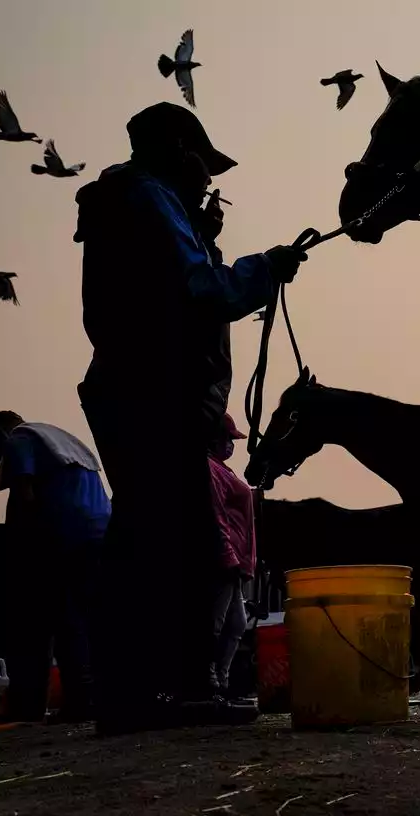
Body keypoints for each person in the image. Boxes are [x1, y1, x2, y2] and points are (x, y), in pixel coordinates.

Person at [72, 102, 307, 733]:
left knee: (151, 536)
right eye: (205, 164)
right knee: (178, 542)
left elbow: (172, 289)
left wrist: (206, 238)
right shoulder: (148, 199)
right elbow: (200, 292)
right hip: (152, 394)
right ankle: (176, 689)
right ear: (179, 150)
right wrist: (265, 266)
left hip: (135, 392)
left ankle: (145, 692)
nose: (210, 179)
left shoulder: (129, 203)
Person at [0, 410, 110, 722]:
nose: (0, 459)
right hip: (100, 532)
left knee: (63, 620)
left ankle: (77, 702)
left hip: (67, 535)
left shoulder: (20, 438)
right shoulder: (60, 438)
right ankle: (89, 699)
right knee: (85, 620)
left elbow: (24, 496)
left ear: (0, 434)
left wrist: (17, 549)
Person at [206, 413, 256, 703]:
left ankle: (220, 682)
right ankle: (210, 680)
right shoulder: (211, 470)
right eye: (229, 439)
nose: (231, 445)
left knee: (235, 624)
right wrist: (229, 557)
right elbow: (217, 517)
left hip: (234, 561)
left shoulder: (222, 470)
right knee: (216, 623)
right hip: (225, 560)